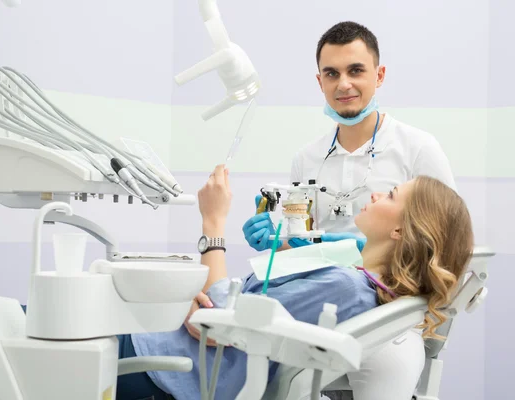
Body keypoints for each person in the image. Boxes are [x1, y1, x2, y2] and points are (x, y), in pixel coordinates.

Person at [114, 164, 474, 400]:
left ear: (399, 230)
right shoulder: (355, 278)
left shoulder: (347, 288)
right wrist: (287, 246)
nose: (377, 194)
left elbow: (215, 323)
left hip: (166, 369)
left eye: (392, 195)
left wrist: (213, 223)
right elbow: (247, 300)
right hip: (171, 354)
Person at [242, 21, 456, 253]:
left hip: (390, 288)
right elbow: (305, 250)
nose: (344, 84)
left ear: (379, 75)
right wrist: (276, 241)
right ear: (320, 82)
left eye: (356, 71)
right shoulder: (306, 159)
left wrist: (370, 252)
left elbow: (449, 242)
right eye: (332, 74)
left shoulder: (418, 149)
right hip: (323, 286)